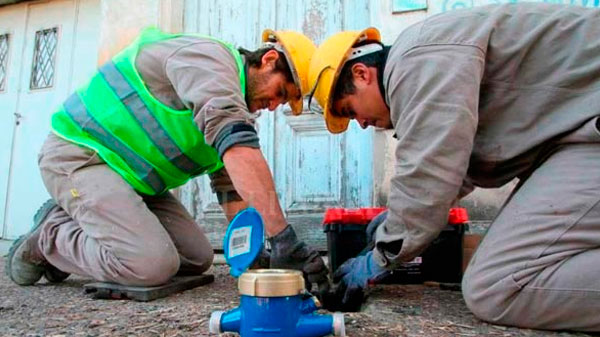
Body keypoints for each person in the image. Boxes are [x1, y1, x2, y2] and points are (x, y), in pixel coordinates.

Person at [307, 3, 600, 331]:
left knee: (497, 286)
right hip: (579, 133)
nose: (360, 124)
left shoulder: (416, 61)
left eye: (349, 110)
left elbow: (429, 172)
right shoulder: (424, 59)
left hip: (588, 134)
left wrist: (381, 255)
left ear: (362, 74)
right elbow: (453, 164)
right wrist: (401, 219)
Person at [6, 27, 329, 298]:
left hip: (132, 180)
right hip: (81, 155)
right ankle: (50, 234)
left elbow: (231, 188)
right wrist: (283, 237)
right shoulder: (211, 62)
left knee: (197, 257)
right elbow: (239, 149)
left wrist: (254, 250)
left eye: (282, 102)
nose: (274, 106)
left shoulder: (230, 106)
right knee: (149, 266)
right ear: (269, 60)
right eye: (281, 92)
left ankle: (94, 219)